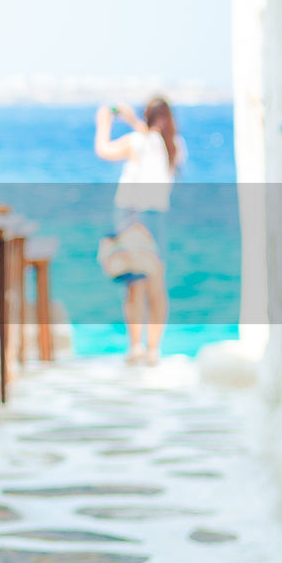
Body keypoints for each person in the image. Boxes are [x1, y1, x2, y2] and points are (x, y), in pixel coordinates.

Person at [94, 97, 186, 365]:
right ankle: (154, 348)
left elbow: (104, 150)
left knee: (134, 284)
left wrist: (106, 121)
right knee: (156, 284)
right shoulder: (176, 147)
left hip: (131, 215)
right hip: (157, 217)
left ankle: (135, 346)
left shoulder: (139, 141)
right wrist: (132, 120)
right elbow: (155, 140)